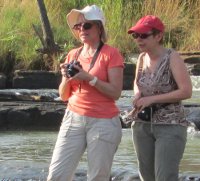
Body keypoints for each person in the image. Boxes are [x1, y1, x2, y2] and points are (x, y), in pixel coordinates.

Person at [47, 4, 124, 181]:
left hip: (103, 122)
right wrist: (67, 77)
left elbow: (115, 93)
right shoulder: (73, 54)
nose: (82, 29)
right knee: (56, 175)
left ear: (99, 27)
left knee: (97, 177)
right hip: (73, 118)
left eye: (87, 25)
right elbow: (64, 95)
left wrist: (88, 77)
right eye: (78, 26)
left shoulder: (111, 54)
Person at [127, 15, 192, 181]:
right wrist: (137, 94)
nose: (138, 40)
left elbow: (186, 91)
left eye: (143, 35)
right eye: (136, 36)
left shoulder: (172, 57)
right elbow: (137, 83)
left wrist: (152, 99)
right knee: (146, 177)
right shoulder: (141, 58)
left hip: (170, 126)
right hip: (142, 124)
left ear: (158, 36)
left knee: (165, 177)